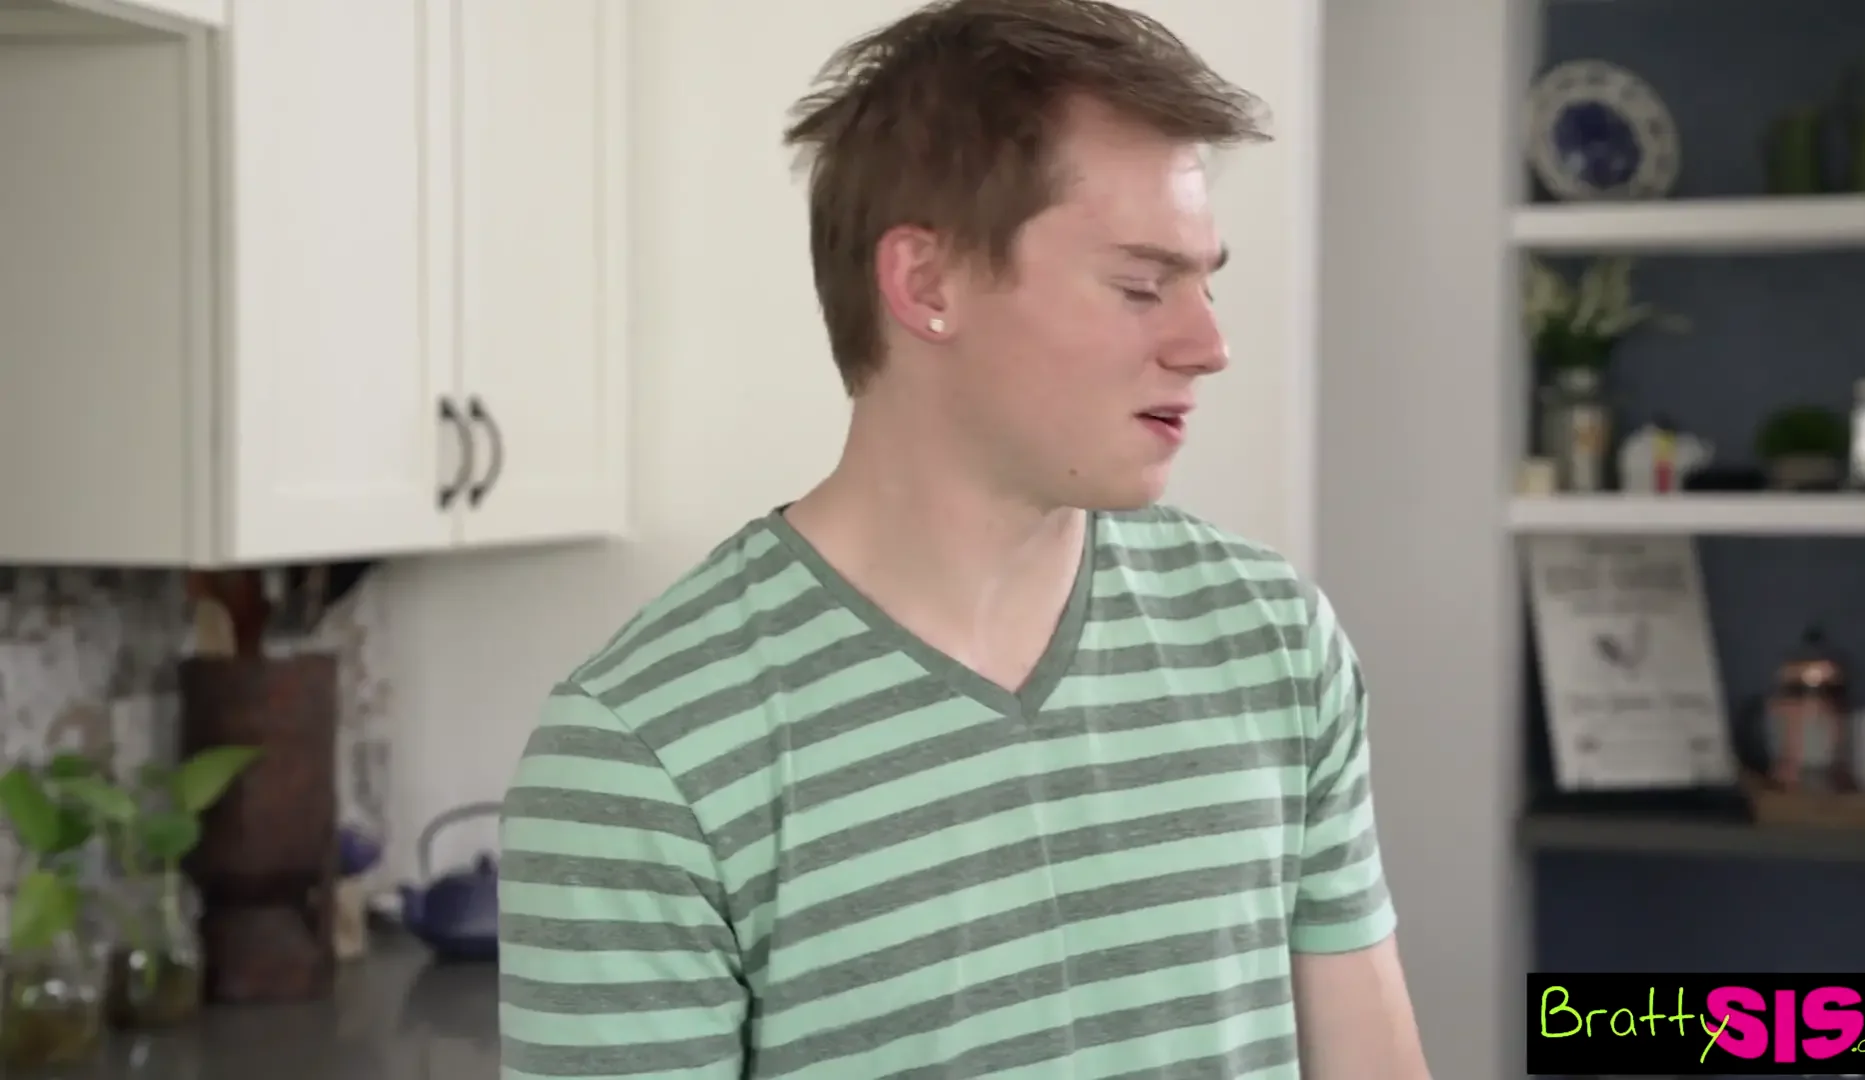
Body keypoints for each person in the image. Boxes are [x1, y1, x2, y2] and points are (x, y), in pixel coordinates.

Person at [496, 1, 1430, 1077]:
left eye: (1204, 282)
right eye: (1142, 286)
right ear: (926, 285)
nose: (1209, 344)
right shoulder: (645, 757)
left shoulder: (1271, 641)